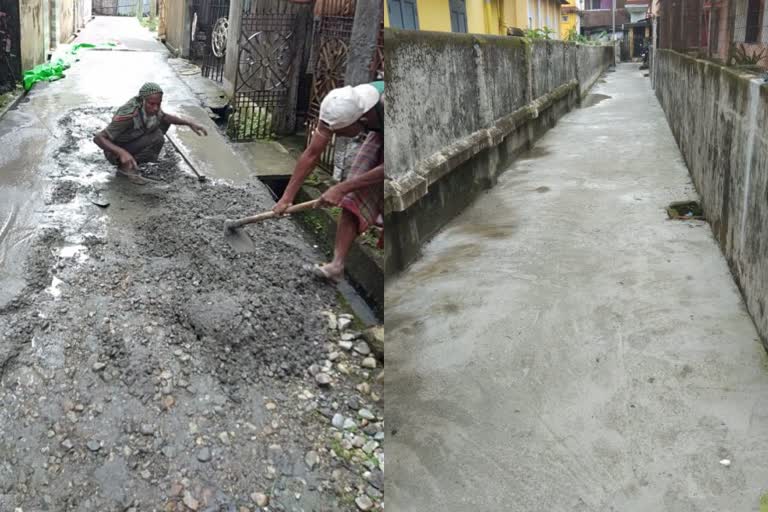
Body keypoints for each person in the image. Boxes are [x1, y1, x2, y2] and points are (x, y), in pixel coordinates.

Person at [274, 81, 384, 283]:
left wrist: (341, 188)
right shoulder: (341, 106)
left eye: (339, 132)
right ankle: (336, 266)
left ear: (361, 120)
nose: (336, 136)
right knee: (353, 195)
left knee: (362, 187)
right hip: (377, 129)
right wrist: (286, 197)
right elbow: (312, 154)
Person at [94, 82, 208, 180]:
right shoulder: (129, 115)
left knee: (162, 124)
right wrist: (122, 153)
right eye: (152, 104)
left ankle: (142, 161)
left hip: (132, 141)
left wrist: (189, 123)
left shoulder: (153, 108)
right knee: (157, 137)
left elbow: (164, 117)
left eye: (158, 104)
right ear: (142, 101)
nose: (155, 108)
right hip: (114, 152)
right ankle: (126, 168)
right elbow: (99, 138)